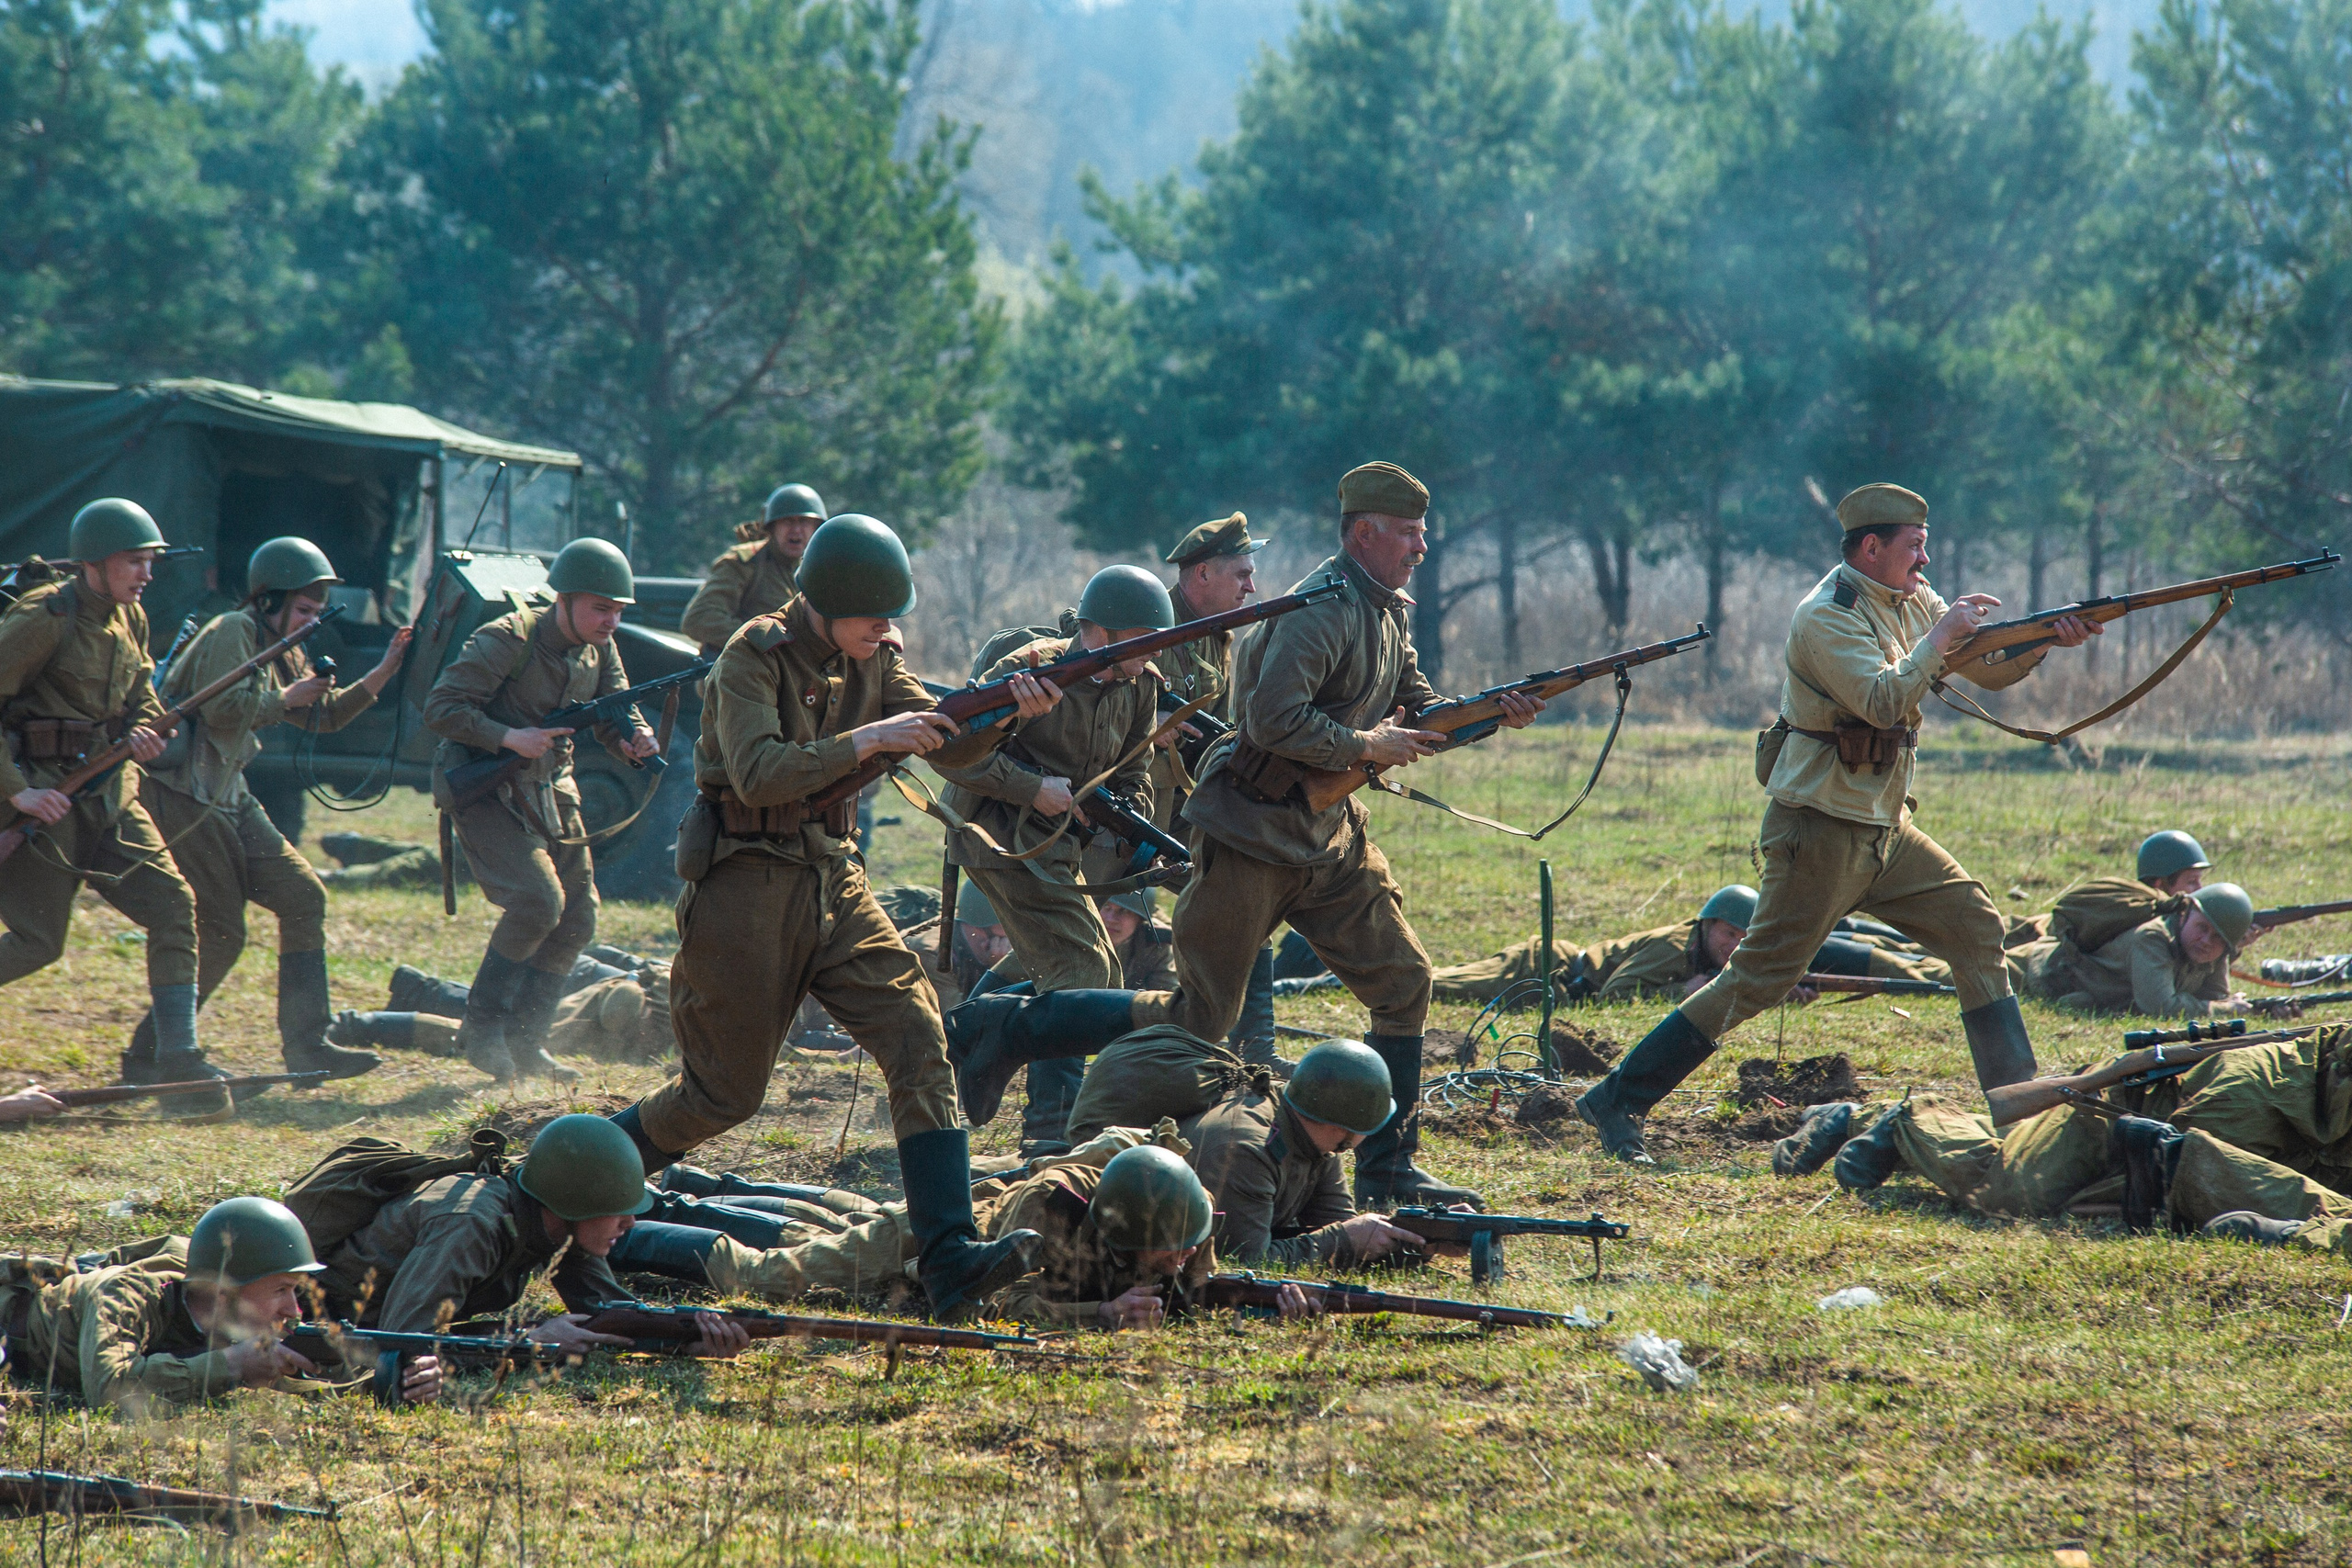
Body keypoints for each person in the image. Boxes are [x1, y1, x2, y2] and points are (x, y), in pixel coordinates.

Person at [947, 461, 1544, 1209]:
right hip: (1252, 830)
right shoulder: (1317, 610)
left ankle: (1388, 1169)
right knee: (1196, 1017)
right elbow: (1271, 721)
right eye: (1411, 533)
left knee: (1404, 982)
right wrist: (1365, 746)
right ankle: (1008, 1027)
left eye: (1424, 532)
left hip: (1328, 834)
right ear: (1365, 533)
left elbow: (1419, 711)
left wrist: (1491, 714)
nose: (1423, 546)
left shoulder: (1389, 609)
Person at [603, 513, 1060, 1320]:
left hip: (834, 880)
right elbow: (755, 774)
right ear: (822, 601)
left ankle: (950, 1257)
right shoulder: (753, 655)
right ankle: (578, 1179)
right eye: (875, 616)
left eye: (893, 618)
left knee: (920, 1040)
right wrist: (868, 737)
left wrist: (1014, 708)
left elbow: (945, 739)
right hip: (744, 885)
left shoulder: (875, 658)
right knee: (722, 1095)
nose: (890, 631)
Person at [1576, 483, 2098, 1165]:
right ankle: (1620, 1096)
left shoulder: (1912, 602)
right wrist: (1939, 639)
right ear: (1870, 547)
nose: (1926, 558)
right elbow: (1884, 701)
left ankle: (2017, 1105)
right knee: (1757, 979)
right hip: (1819, 828)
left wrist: (2043, 641)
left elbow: (1983, 670)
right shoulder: (1827, 615)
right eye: (1913, 545)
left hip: (1883, 827)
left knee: (1975, 928)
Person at [132, 537, 413, 1082]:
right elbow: (219, 712)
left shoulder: (282, 646)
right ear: (267, 601)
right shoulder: (235, 632)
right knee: (221, 932)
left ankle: (309, 1045)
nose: (310, 620)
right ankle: (150, 1056)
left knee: (303, 896)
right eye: (303, 610)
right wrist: (288, 698)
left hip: (230, 794)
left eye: (315, 611)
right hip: (189, 794)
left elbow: (324, 717)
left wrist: (384, 671)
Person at [932, 565, 1174, 1139]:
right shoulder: (1029, 669)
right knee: (1083, 971)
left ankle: (969, 1030)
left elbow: (1135, 765)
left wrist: (1114, 808)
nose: (1147, 659)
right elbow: (949, 747)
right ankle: (1050, 1126)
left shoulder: (1142, 684)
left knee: (1096, 966)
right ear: (1099, 632)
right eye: (1140, 644)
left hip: (1058, 842)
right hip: (995, 835)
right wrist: (1031, 787)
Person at [0, 500, 218, 1097]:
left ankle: (180, 1060)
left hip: (109, 796)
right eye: (134, 561)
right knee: (38, 943)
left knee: (174, 903)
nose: (146, 573)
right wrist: (21, 795)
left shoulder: (133, 617)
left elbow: (142, 691)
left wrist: (148, 730)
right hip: (43, 798)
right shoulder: (44, 617)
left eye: (150, 561)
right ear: (95, 562)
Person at [424, 537, 661, 1083]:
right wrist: (509, 736)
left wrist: (635, 736)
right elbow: (442, 707)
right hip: (486, 789)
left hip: (553, 788)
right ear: (565, 599)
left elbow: (615, 705)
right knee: (537, 901)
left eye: (619, 611)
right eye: (601, 608)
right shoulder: (506, 640)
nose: (611, 621)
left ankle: (527, 1042)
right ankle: (481, 1030)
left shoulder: (601, 646)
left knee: (578, 917)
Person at [1794, 1026, 2352, 1247]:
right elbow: (2169, 1171)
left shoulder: (2321, 1099)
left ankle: (1869, 1123)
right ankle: (1905, 1118)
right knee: (2009, 1194)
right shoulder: (2247, 1094)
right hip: (2095, 1129)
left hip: (2123, 1144)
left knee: (2010, 1177)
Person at [607, 1137, 1238, 1331]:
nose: (1184, 1255)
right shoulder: (1047, 1216)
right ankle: (625, 1231)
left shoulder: (1182, 1207)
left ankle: (680, 1191)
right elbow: (997, 1300)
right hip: (929, 1239)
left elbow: (1198, 1276)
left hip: (961, 1205)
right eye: (1172, 1248)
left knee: (823, 1222)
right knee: (772, 1273)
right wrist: (1101, 1313)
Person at [307, 1114, 748, 1359]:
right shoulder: (471, 1225)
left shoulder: (556, 1224)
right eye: (620, 1211)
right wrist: (529, 1340)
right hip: (321, 1329)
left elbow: (609, 1319)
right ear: (575, 1203)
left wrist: (688, 1339)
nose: (629, 1224)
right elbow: (403, 1343)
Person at [0, 1197, 442, 1414]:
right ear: (224, 1290)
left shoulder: (233, 1328)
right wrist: (231, 1366)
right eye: (280, 1291)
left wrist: (392, 1379)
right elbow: (111, 1392)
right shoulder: (124, 1293)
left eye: (296, 1291)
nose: (296, 1311)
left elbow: (300, 1388)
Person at [1281, 886, 1954, 1005]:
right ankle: (1305, 979)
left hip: (1557, 973)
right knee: (1430, 983)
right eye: (1728, 934)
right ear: (1704, 927)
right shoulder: (1672, 951)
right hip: (1544, 968)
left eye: (1745, 939)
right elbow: (1615, 994)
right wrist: (1682, 992)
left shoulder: (1707, 953)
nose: (1735, 946)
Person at [1153, 513, 1282, 1070]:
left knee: (1245, 900)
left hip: (1185, 804)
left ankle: (1254, 1052)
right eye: (1242, 574)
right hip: (1120, 807)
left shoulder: (1218, 631)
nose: (1252, 587)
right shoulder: (1147, 622)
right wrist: (1149, 724)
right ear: (1200, 574)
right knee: (1074, 939)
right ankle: (991, 1018)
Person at [2015, 881, 2254, 1018]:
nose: (2205, 940)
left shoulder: (2211, 949)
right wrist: (2225, 1010)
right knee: (1982, 970)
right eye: (2201, 927)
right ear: (2184, 915)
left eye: (2217, 938)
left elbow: (2213, 998)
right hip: (2040, 971)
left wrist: (2258, 1008)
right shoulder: (2153, 938)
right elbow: (2160, 1006)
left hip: (2079, 990)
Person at [680, 482, 827, 653]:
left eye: (804, 522)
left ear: (816, 528)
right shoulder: (744, 563)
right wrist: (762, 638)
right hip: (742, 672)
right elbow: (699, 620)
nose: (796, 530)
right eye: (788, 521)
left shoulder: (820, 570)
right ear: (772, 526)